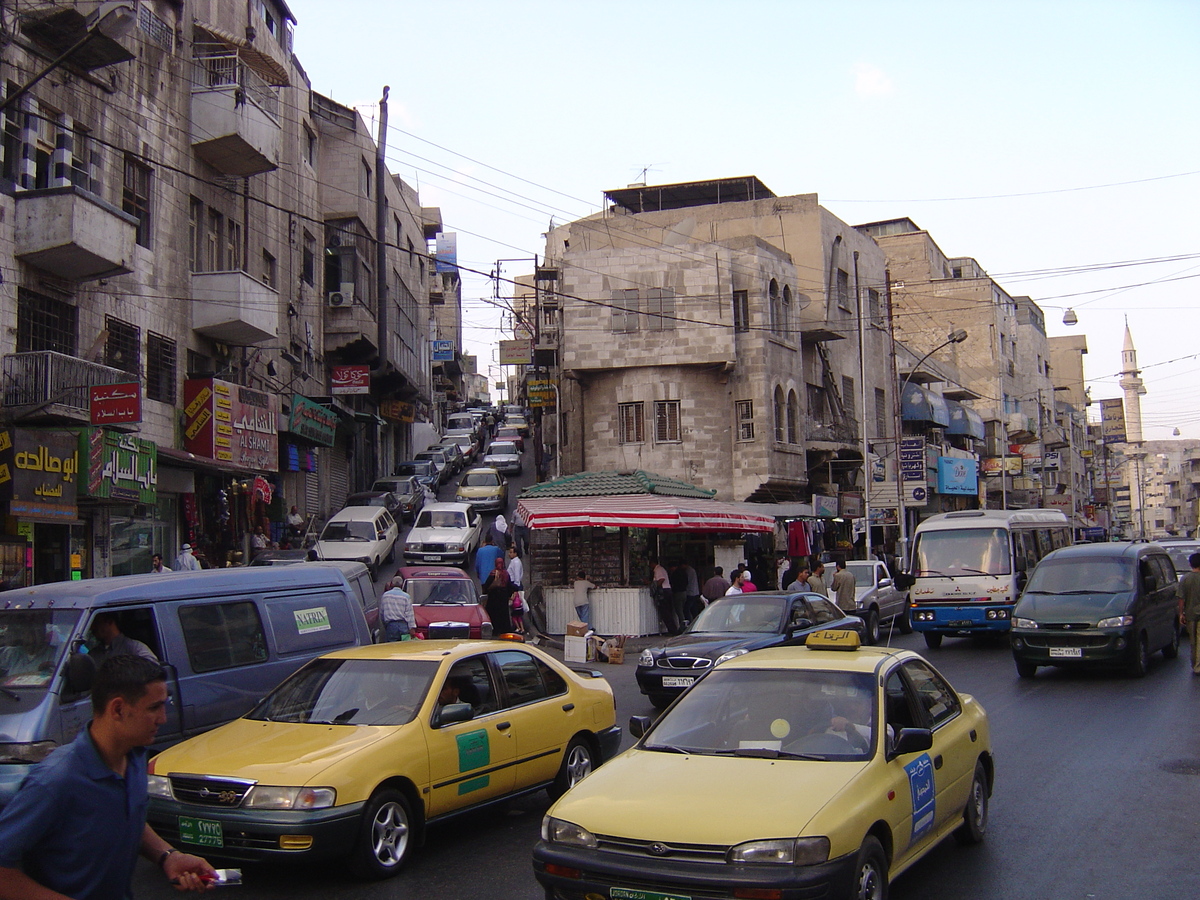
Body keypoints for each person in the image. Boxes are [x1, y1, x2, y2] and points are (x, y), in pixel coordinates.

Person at [0, 656, 216, 899]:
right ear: (118, 709)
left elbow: (124, 814)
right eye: (154, 708)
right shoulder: (54, 782)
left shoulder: (135, 756)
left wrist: (167, 856)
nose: (163, 718)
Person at [89, 612, 158, 664]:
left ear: (110, 622)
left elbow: (153, 669)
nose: (92, 628)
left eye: (96, 623)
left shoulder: (135, 648)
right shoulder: (93, 654)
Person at [1178, 551, 1200, 676]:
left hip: (1190, 614)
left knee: (1193, 641)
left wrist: (1181, 613)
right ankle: (1198, 664)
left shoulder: (1185, 579)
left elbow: (1181, 598)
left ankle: (1194, 664)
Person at [483, 557, 513, 634]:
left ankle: (494, 629)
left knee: (493, 614)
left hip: (493, 597)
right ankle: (504, 630)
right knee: (504, 614)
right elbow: (510, 586)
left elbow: (486, 586)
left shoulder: (493, 573)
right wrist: (508, 595)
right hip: (503, 597)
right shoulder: (506, 574)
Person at [649, 557, 677, 634]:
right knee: (667, 611)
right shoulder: (660, 569)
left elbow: (661, 579)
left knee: (665, 612)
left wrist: (655, 587)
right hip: (667, 591)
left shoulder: (658, 570)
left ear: (652, 563)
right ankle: (671, 629)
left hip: (664, 591)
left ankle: (672, 630)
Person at [668, 562, 688, 634]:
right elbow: (687, 582)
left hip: (678, 593)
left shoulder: (675, 574)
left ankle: (682, 627)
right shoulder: (684, 572)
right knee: (682, 609)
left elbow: (673, 583)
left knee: (679, 611)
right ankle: (684, 625)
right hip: (684, 592)